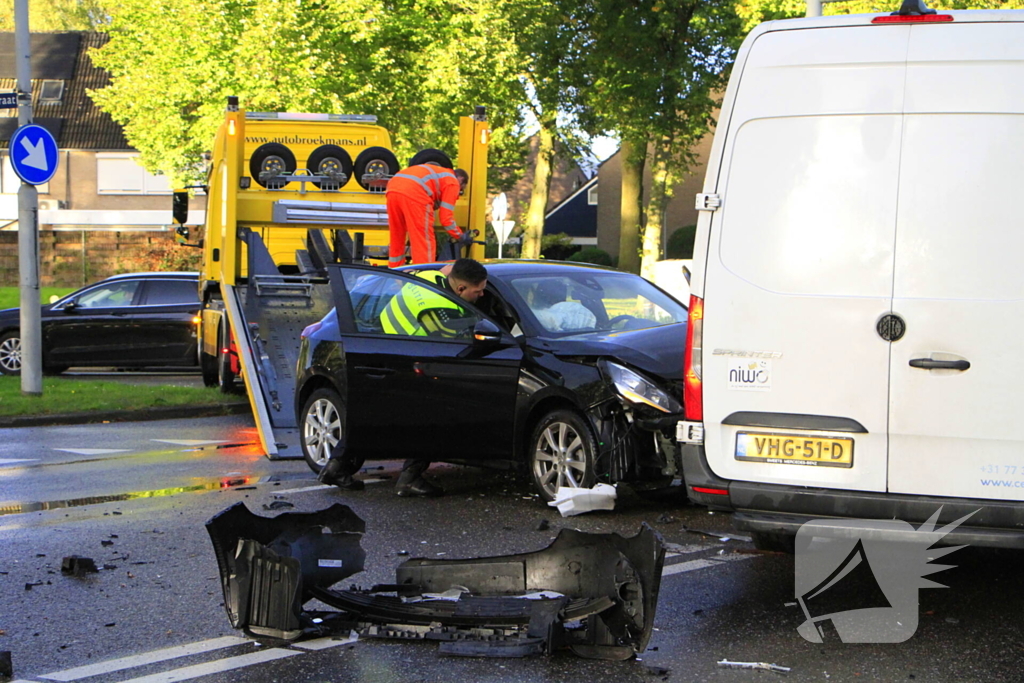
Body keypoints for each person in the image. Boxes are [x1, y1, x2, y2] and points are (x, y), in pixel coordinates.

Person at [318, 258, 488, 497]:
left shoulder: (430, 278)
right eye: (477, 291)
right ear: (460, 289)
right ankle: (410, 479)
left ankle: (335, 468)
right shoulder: (441, 311)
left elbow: (448, 269)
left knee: (375, 418)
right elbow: (457, 343)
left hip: (384, 351)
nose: (481, 295)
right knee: (433, 419)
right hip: (407, 364)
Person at [386, 163, 470, 267]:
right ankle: (424, 275)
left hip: (393, 189)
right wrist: (460, 236)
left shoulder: (440, 174)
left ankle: (395, 273)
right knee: (424, 242)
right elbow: (446, 219)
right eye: (461, 189)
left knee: (397, 236)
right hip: (414, 193)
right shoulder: (452, 182)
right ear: (461, 179)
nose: (459, 192)